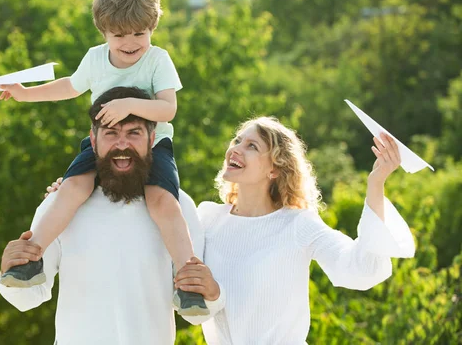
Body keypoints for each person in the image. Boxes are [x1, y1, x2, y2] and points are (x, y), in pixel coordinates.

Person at [47, 115, 416, 344]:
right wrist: (74, 194)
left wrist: (376, 184)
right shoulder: (207, 218)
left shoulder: (298, 225)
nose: (234, 148)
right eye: (237, 140)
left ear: (275, 169)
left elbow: (362, 270)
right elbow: (144, 236)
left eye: (251, 145)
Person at [0, 0, 207, 315]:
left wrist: (128, 106)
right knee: (70, 189)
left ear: (153, 27)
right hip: (102, 146)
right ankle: (31, 260)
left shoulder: (157, 60)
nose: (131, 42)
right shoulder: (95, 58)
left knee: (164, 204)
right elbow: (70, 87)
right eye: (120, 34)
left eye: (141, 33)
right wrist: (24, 95)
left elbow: (168, 109)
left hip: (152, 147)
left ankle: (188, 281)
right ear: (104, 31)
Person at [0, 87, 225, 345]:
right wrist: (9, 270)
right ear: (93, 141)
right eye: (111, 133)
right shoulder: (61, 205)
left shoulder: (177, 206)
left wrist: (213, 293)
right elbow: (29, 298)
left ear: (152, 140)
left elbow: (197, 314)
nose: (122, 144)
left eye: (133, 133)